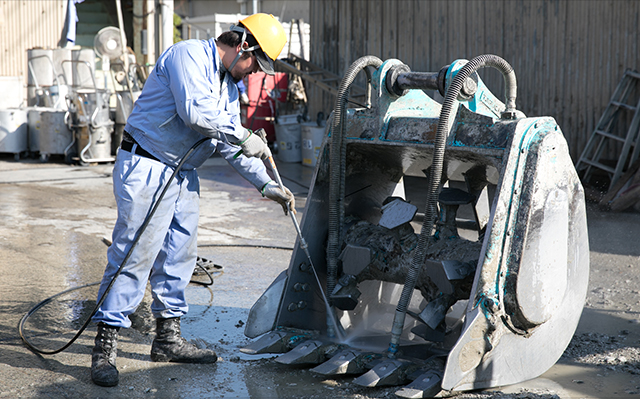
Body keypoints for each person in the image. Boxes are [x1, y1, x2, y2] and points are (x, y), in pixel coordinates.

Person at [90, 13, 294, 387]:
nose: (252, 74)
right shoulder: (187, 55)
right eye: (254, 66)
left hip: (182, 173)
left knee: (178, 256)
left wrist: (266, 185)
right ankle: (105, 344)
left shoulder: (229, 89)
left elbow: (228, 147)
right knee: (134, 256)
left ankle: (167, 339)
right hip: (148, 163)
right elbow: (198, 115)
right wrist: (244, 134)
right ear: (243, 45)